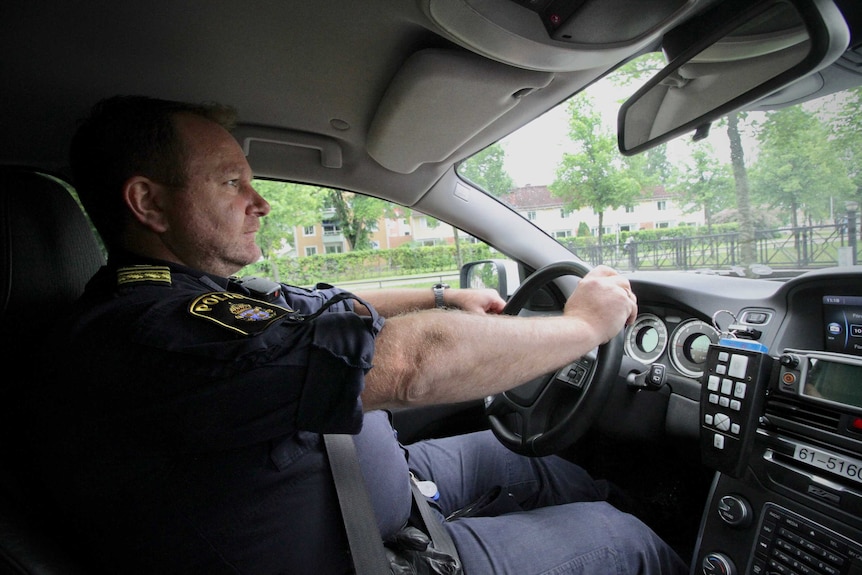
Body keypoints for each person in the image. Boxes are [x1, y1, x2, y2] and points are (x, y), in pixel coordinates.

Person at [30, 95, 688, 574]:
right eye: (231, 182)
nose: (258, 201)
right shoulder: (149, 334)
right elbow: (410, 365)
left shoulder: (187, 296)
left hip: (370, 486)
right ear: (147, 203)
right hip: (366, 552)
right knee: (614, 537)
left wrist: (442, 295)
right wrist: (585, 325)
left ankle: (671, 518)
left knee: (529, 459)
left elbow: (318, 303)